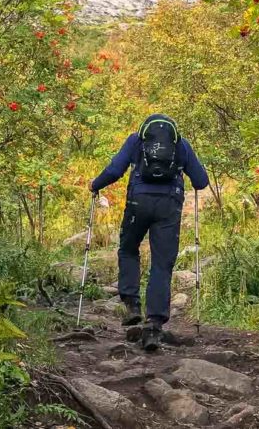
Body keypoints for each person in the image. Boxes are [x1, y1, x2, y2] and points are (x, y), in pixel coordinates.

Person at [91, 113, 208, 351]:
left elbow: (115, 170)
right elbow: (201, 180)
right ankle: (154, 326)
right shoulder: (181, 145)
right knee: (162, 264)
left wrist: (95, 185)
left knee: (128, 248)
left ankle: (132, 304)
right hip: (168, 206)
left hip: (138, 203)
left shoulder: (136, 141)